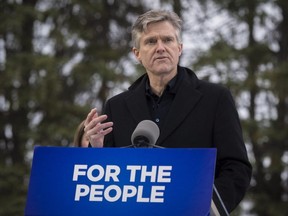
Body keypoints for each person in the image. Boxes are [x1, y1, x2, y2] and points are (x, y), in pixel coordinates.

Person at [84, 9, 252, 213]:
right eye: (151, 41)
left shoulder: (216, 98)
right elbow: (109, 177)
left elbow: (236, 167)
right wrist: (96, 151)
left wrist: (207, 208)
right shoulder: (116, 106)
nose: (161, 48)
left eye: (168, 40)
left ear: (179, 48)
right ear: (136, 54)